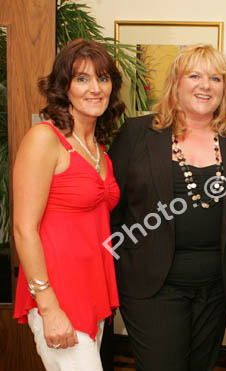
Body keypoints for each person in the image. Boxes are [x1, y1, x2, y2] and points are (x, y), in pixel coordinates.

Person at [109, 44, 226, 371]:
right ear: (176, 83)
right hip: (152, 288)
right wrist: (120, 264)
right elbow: (112, 208)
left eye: (215, 78)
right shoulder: (137, 134)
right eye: (195, 75)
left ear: (224, 88)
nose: (206, 85)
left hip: (215, 290)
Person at [12, 38, 124, 370]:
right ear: (64, 87)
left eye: (102, 78)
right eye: (82, 78)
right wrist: (47, 305)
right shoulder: (44, 138)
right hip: (58, 295)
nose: (95, 88)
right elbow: (23, 229)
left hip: (92, 293)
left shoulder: (99, 149)